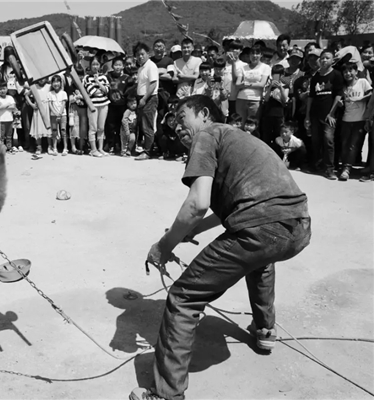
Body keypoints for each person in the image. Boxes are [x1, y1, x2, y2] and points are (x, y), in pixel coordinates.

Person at [130, 95, 311, 400]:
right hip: (297, 226)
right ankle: (265, 329)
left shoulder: (206, 135)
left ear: (204, 114)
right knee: (260, 260)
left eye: (182, 117)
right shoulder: (239, 138)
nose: (177, 127)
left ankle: (167, 394)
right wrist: (193, 230)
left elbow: (197, 203)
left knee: (183, 298)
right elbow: (241, 205)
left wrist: (164, 246)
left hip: (259, 229)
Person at [305, 49, 344, 179]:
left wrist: (331, 113)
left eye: (327, 58)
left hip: (329, 116)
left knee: (328, 141)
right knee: (315, 141)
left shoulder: (336, 75)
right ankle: (316, 165)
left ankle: (329, 169)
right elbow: (311, 97)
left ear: (333, 61)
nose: (324, 60)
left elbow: (338, 95)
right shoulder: (315, 77)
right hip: (315, 114)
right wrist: (307, 116)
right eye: (322, 58)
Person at [338, 62, 372, 181]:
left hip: (359, 119)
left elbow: (371, 94)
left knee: (353, 145)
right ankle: (344, 165)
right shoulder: (343, 86)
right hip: (346, 119)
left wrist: (360, 99)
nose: (348, 74)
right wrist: (340, 104)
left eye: (350, 71)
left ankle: (346, 169)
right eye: (345, 72)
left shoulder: (362, 82)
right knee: (344, 145)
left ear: (356, 72)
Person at [134, 42, 159, 160]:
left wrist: (144, 99)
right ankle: (145, 148)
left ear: (148, 54)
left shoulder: (151, 66)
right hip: (141, 98)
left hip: (149, 98)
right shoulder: (141, 68)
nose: (140, 56)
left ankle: (148, 151)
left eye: (142, 54)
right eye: (138, 54)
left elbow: (153, 84)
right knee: (143, 125)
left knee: (147, 126)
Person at [236, 45, 271, 128]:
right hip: (241, 99)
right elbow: (237, 84)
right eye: (252, 53)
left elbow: (262, 84)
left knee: (253, 126)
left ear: (261, 55)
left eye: (257, 53)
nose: (254, 56)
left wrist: (247, 84)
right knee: (240, 125)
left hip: (256, 100)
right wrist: (253, 84)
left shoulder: (266, 67)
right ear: (249, 55)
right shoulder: (243, 68)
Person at [83, 57, 111, 157]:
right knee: (93, 128)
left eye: (97, 64)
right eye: (93, 64)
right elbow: (92, 91)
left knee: (101, 127)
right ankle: (93, 149)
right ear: (90, 66)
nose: (95, 66)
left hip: (104, 104)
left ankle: (100, 148)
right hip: (93, 105)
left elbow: (107, 90)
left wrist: (97, 82)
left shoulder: (103, 77)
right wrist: (101, 89)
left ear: (100, 66)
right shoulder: (86, 78)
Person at [0, 80, 18, 154]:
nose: (2, 91)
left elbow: (13, 107)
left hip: (10, 119)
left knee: (9, 135)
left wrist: (4, 106)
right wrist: (8, 105)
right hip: (1, 120)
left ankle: (9, 147)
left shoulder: (10, 97)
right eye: (0, 89)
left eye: (4, 88)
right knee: (1, 136)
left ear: (7, 89)